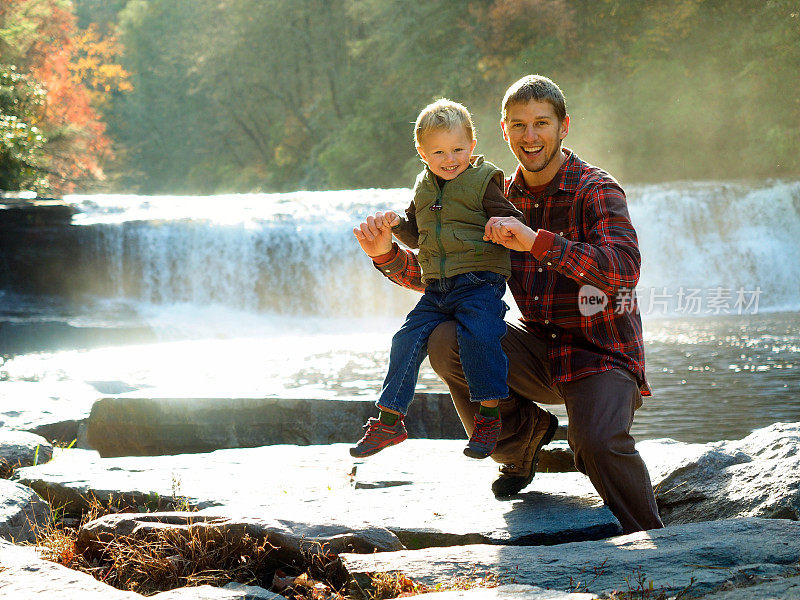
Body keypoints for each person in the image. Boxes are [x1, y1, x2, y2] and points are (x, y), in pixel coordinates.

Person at [353, 76, 663, 534]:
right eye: (519, 125)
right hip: (537, 350)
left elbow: (623, 271)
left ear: (564, 127)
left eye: (542, 123)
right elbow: (453, 280)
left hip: (602, 357)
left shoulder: (594, 189)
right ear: (504, 131)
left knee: (594, 443)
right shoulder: (483, 192)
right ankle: (521, 445)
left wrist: (537, 242)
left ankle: (656, 541)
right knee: (446, 334)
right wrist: (386, 254)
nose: (530, 136)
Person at [350, 98, 524, 460]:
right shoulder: (424, 186)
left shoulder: (484, 179)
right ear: (422, 153)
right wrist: (397, 226)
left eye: (458, 149)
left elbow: (510, 216)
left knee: (480, 335)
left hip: (479, 282)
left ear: (472, 146)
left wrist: (501, 225)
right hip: (439, 288)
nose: (450, 159)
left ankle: (489, 418)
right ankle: (389, 421)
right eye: (439, 152)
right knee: (406, 339)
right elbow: (418, 236)